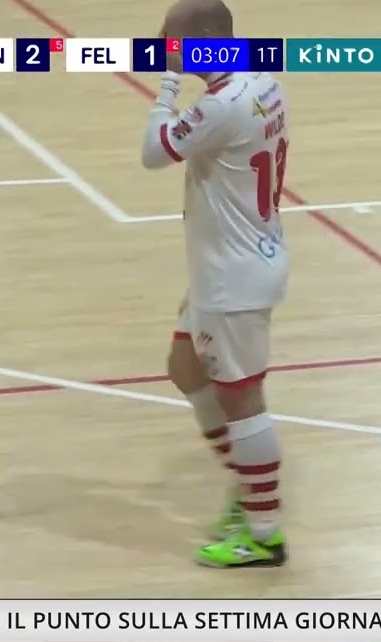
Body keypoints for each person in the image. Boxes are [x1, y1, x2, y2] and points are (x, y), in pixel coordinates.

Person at [139, 0, 292, 568]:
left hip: (235, 277)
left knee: (242, 400)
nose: (160, 42)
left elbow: (153, 152)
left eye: (169, 37)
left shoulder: (221, 105)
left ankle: (263, 533)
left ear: (202, 39)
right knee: (184, 367)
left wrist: (166, 85)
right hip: (230, 264)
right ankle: (248, 490)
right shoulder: (262, 81)